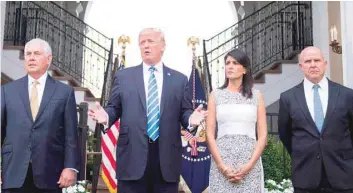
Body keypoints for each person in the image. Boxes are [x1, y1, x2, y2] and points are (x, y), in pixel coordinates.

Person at [88, 28, 207, 193]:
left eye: (150, 41)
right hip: (132, 158)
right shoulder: (124, 77)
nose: (146, 46)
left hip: (166, 160)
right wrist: (106, 116)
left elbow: (184, 112)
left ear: (163, 46)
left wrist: (190, 120)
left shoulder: (179, 80)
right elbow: (114, 107)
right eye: (142, 43)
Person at [1, 38, 79, 193]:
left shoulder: (65, 93)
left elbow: (71, 135)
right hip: (13, 171)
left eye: (36, 53)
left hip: (50, 172)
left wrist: (70, 167)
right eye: (28, 54)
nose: (31, 57)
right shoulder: (7, 90)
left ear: (48, 59)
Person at [278, 46, 353, 193]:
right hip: (305, 175)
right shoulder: (288, 98)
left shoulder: (346, 95)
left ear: (325, 63)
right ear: (301, 66)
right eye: (308, 61)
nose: (313, 64)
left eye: (317, 60)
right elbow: (285, 134)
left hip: (342, 174)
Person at [206, 48, 267, 193]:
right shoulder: (215, 95)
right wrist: (221, 166)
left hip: (249, 162)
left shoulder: (256, 95)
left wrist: (250, 165)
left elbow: (263, 135)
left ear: (245, 69)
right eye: (227, 63)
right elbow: (209, 134)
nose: (230, 66)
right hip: (222, 162)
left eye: (235, 63)